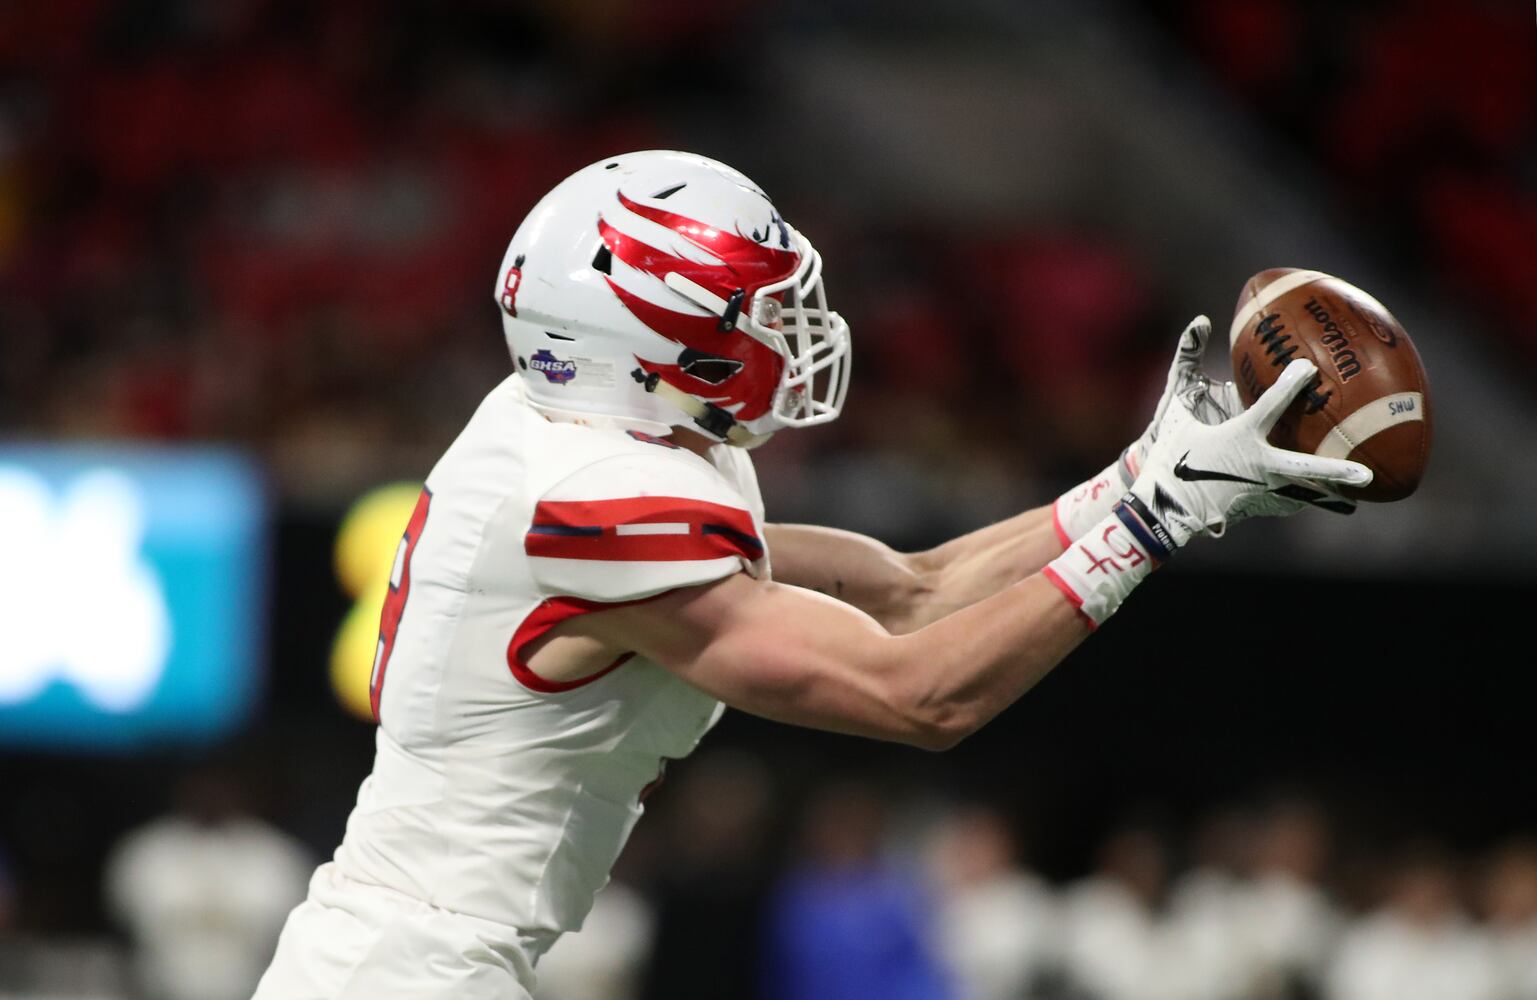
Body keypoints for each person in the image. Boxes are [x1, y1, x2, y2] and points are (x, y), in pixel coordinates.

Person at [253, 149, 1370, 999]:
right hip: (413, 971)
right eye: (751, 308)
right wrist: (1156, 518)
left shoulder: (581, 433)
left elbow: (910, 586)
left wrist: (1132, 475)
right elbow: (917, 694)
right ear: (648, 338)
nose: (794, 328)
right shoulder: (594, 500)